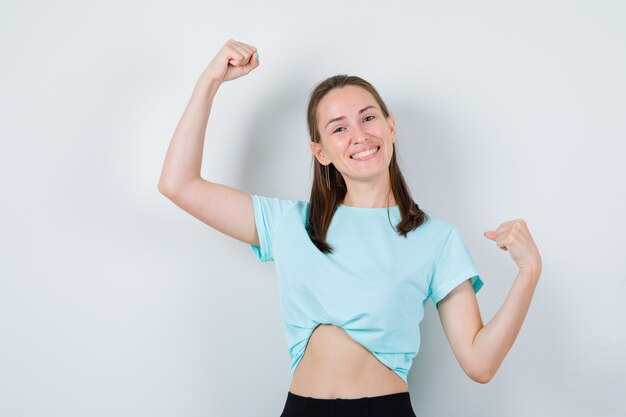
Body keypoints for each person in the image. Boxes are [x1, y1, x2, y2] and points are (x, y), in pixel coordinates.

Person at [158, 39, 543, 417]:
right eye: (338, 128)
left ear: (391, 128)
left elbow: (480, 363)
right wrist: (209, 81)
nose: (359, 135)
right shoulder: (290, 223)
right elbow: (179, 184)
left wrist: (528, 273)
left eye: (368, 117)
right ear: (321, 151)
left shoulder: (436, 239)